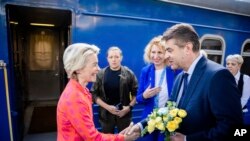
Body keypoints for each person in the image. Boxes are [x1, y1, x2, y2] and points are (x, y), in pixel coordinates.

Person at [128, 23, 243, 141]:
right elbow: (167, 111)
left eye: (169, 50)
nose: (166, 56)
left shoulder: (218, 76)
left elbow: (233, 129)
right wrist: (141, 126)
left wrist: (187, 139)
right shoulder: (180, 77)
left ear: (188, 48)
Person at [57, 43, 139, 141]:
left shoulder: (81, 90)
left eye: (116, 57)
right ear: (78, 69)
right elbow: (93, 138)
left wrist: (118, 136)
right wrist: (123, 138)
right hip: (106, 118)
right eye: (94, 64)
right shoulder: (75, 98)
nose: (98, 69)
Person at [136, 35, 180, 140]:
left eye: (160, 52)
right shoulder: (145, 71)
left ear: (166, 54)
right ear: (149, 53)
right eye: (153, 52)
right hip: (149, 119)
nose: (156, 56)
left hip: (169, 120)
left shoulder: (174, 70)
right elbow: (138, 99)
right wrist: (145, 95)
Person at [91, 46, 138, 133]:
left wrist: (128, 108)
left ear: (121, 58)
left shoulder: (129, 74)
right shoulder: (100, 74)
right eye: (111, 57)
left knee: (125, 138)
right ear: (107, 58)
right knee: (107, 138)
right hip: (106, 115)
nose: (114, 60)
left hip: (124, 115)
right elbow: (94, 95)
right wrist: (108, 107)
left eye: (116, 57)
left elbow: (136, 94)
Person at [226, 54, 250, 122]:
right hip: (223, 113)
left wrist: (232, 110)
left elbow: (244, 98)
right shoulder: (223, 77)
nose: (229, 66)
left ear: (239, 66)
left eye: (233, 64)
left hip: (238, 112)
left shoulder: (245, 79)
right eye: (228, 64)